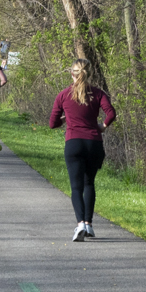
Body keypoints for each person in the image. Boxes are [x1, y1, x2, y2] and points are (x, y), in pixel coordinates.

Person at [49, 58, 116, 241]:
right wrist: (102, 126)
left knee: (76, 187)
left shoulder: (63, 95)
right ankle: (89, 224)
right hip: (93, 143)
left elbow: (52, 123)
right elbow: (111, 113)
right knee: (89, 184)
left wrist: (65, 119)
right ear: (90, 74)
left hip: (74, 143)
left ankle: (80, 225)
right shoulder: (98, 93)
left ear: (72, 73)